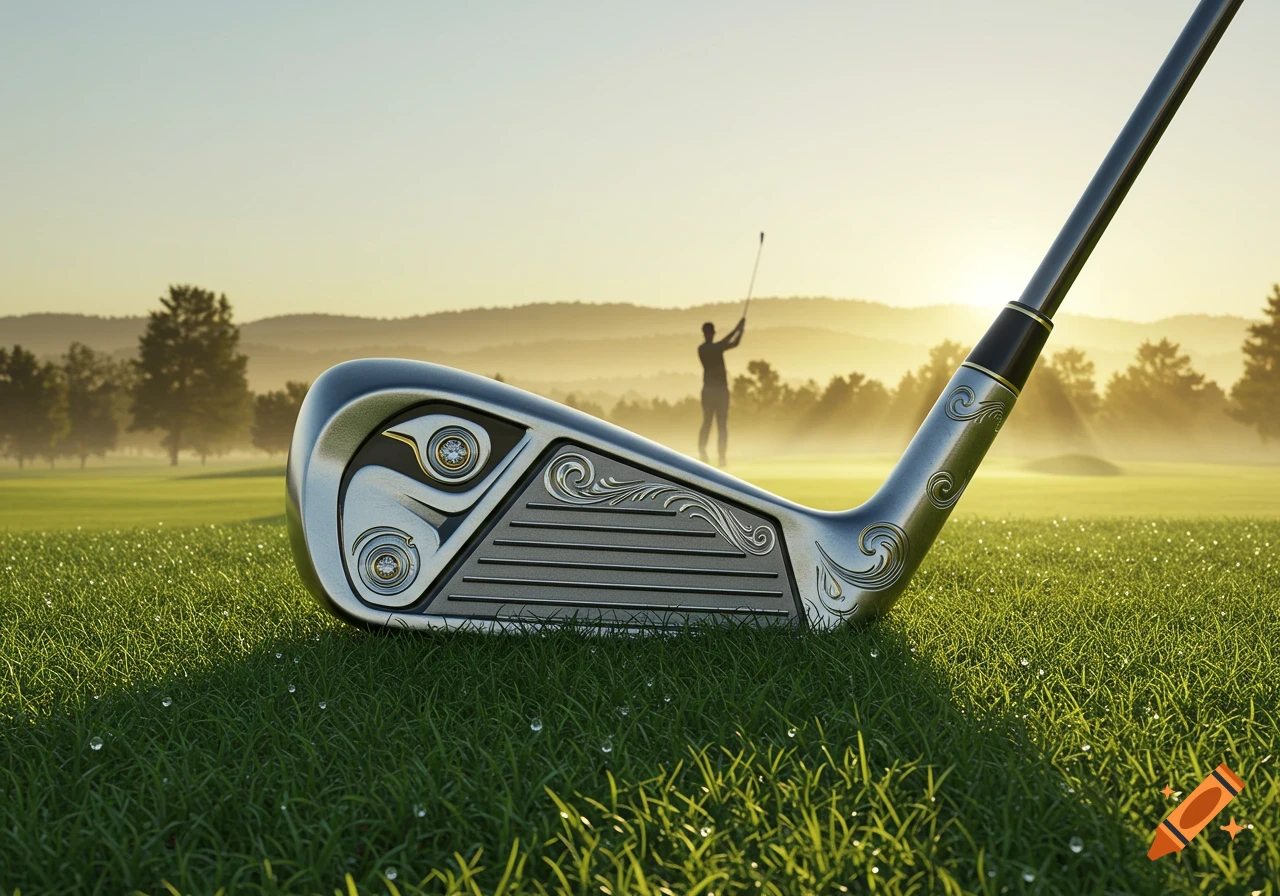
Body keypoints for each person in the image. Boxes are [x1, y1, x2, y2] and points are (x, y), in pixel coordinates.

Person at [697, 317, 745, 466]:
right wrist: (737, 328)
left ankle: (722, 456)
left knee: (722, 424)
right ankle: (703, 452)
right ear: (705, 333)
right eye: (708, 332)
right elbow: (725, 343)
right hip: (711, 390)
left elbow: (735, 343)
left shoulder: (715, 347)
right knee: (708, 422)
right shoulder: (704, 349)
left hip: (721, 390)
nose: (709, 334)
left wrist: (740, 331)